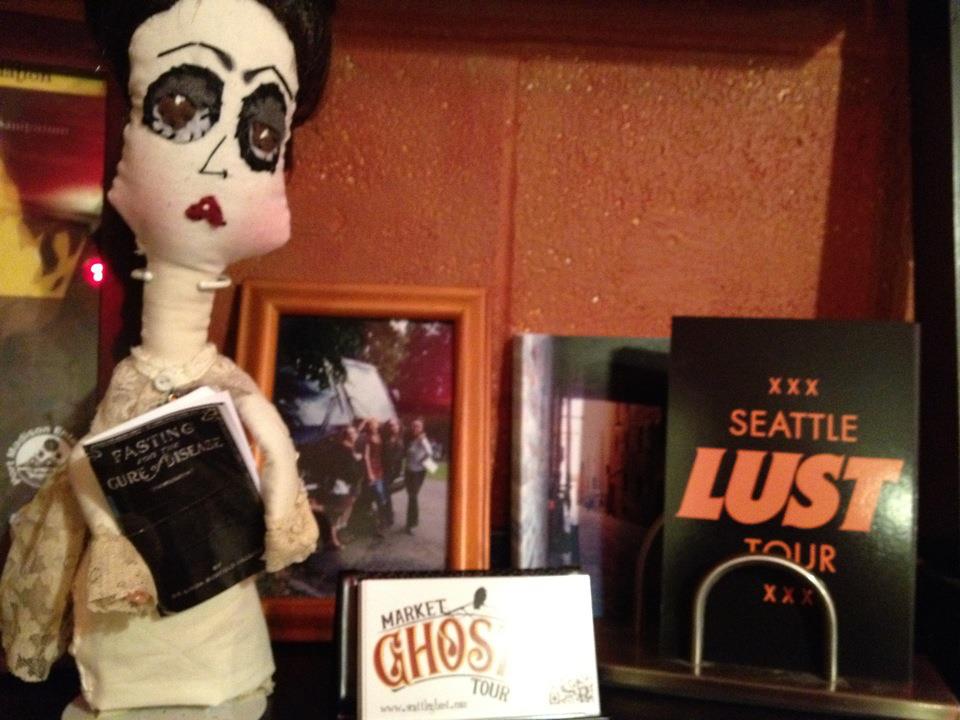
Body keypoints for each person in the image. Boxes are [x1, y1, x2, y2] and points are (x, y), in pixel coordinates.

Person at [0, 0, 333, 712]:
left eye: (260, 131)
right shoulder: (119, 382)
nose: (214, 162)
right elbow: (83, 477)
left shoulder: (223, 386)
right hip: (125, 671)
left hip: (226, 664)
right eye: (180, 107)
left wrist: (280, 505)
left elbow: (273, 456)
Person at [403, 418, 434, 534]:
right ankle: (410, 523)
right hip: (408, 471)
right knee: (411, 497)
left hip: (418, 473)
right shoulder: (411, 439)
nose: (415, 428)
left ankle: (411, 524)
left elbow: (430, 452)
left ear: (422, 428)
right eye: (414, 426)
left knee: (413, 496)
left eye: (418, 426)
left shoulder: (422, 439)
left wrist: (422, 459)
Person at [381, 417, 404, 526]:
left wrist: (433, 469)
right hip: (385, 470)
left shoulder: (400, 440)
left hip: (392, 472)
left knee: (386, 494)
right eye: (391, 425)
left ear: (399, 427)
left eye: (395, 425)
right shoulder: (387, 438)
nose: (393, 427)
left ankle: (389, 517)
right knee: (386, 494)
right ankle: (387, 516)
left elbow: (395, 459)